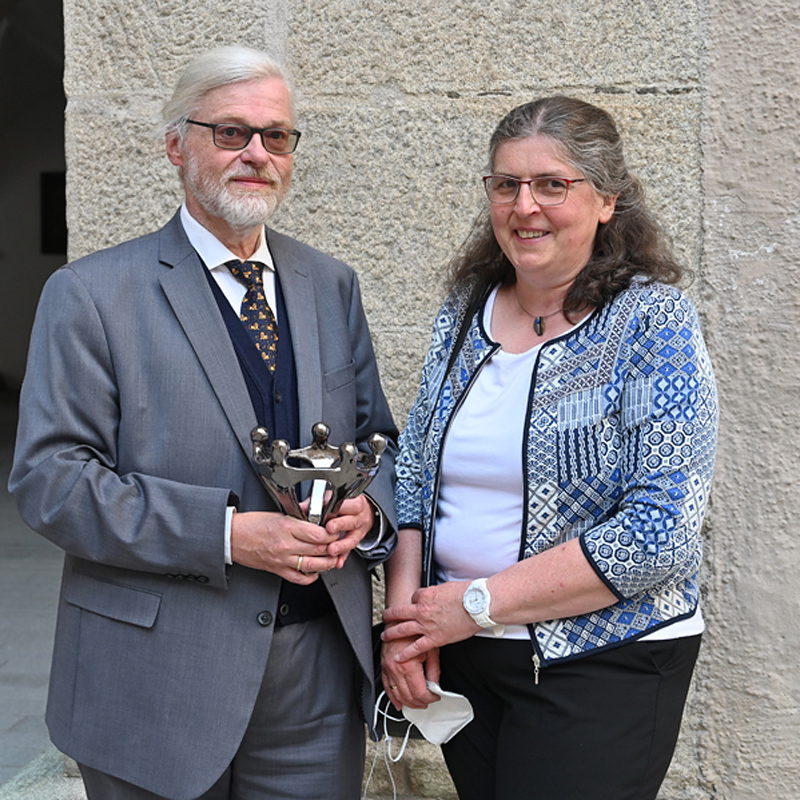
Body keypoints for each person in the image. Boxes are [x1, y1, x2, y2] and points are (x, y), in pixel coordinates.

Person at [9, 46, 398, 800]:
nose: (257, 153)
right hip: (154, 676)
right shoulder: (90, 294)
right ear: (176, 146)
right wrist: (225, 535)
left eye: (276, 136)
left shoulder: (331, 285)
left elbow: (377, 443)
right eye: (231, 133)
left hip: (313, 676)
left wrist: (367, 512)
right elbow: (51, 481)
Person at [380, 96, 718, 800]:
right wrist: (406, 624)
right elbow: (414, 471)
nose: (524, 206)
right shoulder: (468, 307)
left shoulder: (650, 320)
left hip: (603, 660)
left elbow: (659, 534)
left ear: (606, 201)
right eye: (506, 185)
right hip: (468, 659)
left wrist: (471, 604)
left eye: (551, 185)